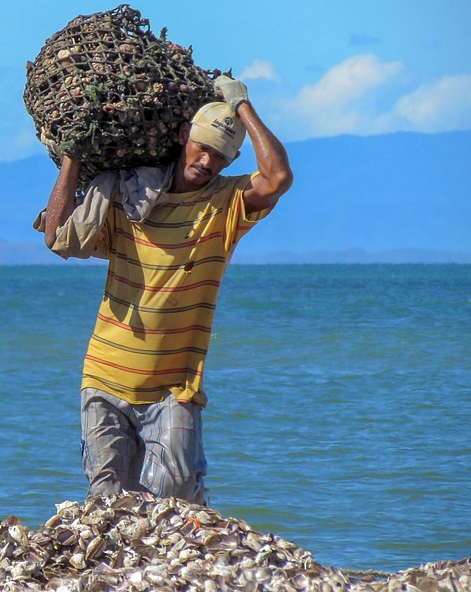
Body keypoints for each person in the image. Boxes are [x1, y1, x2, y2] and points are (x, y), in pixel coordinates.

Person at [40, 76, 293, 505]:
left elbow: (277, 177)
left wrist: (242, 105)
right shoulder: (128, 199)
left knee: (176, 496)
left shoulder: (226, 205)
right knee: (107, 506)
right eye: (203, 147)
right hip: (104, 376)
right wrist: (73, 159)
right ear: (182, 137)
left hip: (174, 389)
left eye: (220, 155)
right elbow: (57, 236)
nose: (208, 161)